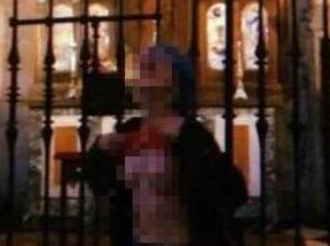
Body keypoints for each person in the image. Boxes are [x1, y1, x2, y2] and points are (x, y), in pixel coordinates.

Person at [85, 44, 247, 246]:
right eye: (139, 69)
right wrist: (100, 149)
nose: (139, 76)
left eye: (150, 68)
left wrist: (187, 148)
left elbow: (232, 190)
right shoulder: (129, 130)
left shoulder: (191, 134)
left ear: (174, 83)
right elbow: (98, 183)